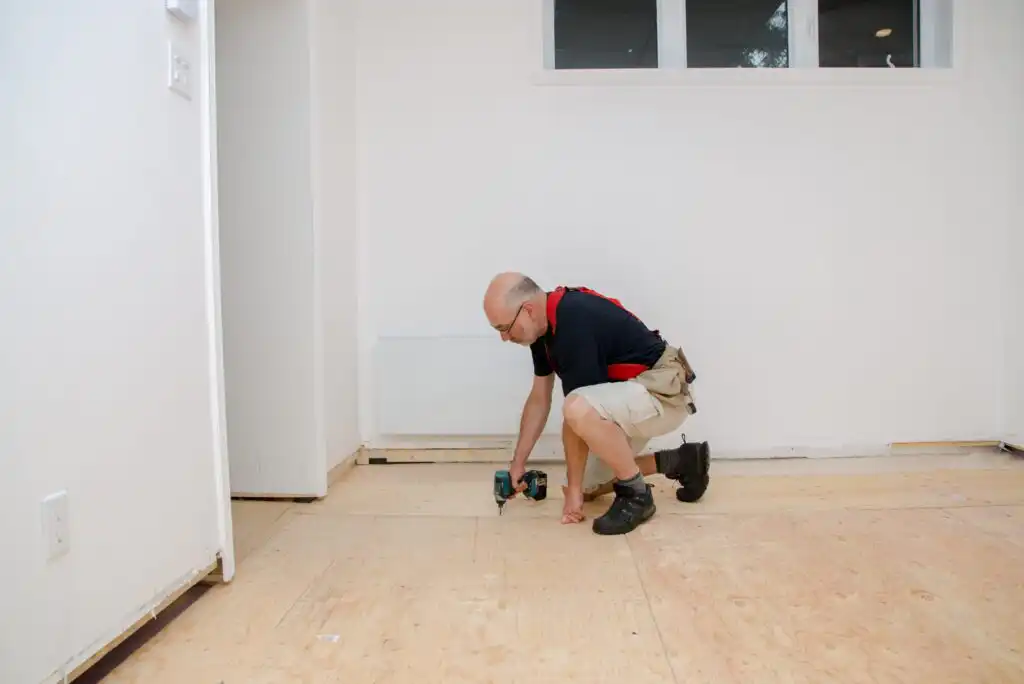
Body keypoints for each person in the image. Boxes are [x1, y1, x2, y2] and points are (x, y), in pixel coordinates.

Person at [482, 272, 710, 535]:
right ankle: (681, 461)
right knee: (590, 486)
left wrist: (573, 493)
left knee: (577, 410)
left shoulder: (572, 321)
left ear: (528, 310)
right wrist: (518, 464)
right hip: (635, 394)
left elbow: (578, 412)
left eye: (503, 328)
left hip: (664, 390)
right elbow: (539, 399)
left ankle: (636, 495)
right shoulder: (542, 332)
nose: (504, 338)